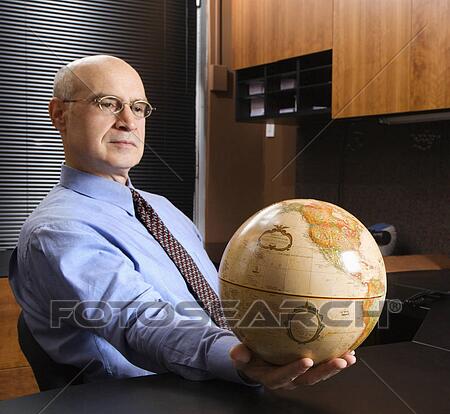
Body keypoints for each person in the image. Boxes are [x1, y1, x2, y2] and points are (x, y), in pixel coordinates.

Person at [9, 55, 356, 390]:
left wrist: (279, 348)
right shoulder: (58, 230)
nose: (128, 121)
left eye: (138, 107)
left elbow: (220, 304)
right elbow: (141, 321)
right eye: (107, 103)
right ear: (60, 114)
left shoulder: (165, 211)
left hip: (224, 386)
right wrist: (241, 361)